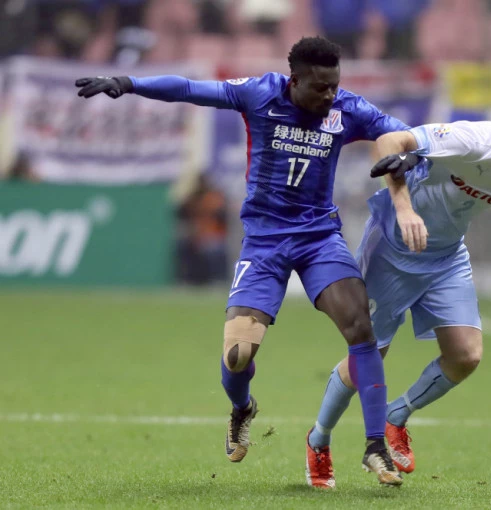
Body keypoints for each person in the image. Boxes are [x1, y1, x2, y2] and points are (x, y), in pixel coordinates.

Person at [75, 36, 405, 486]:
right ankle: (242, 408)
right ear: (294, 81)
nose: (330, 95)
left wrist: (404, 151)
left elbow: (399, 131)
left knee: (360, 327)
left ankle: (375, 446)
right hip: (264, 242)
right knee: (237, 355)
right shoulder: (259, 94)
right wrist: (129, 82)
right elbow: (191, 89)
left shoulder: (347, 109)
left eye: (334, 85)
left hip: (319, 238)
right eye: (320, 87)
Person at [304, 91, 491, 487]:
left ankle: (397, 415)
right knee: (367, 359)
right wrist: (404, 209)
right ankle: (318, 440)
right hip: (393, 249)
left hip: (446, 256)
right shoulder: (471, 140)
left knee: (466, 355)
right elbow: (389, 142)